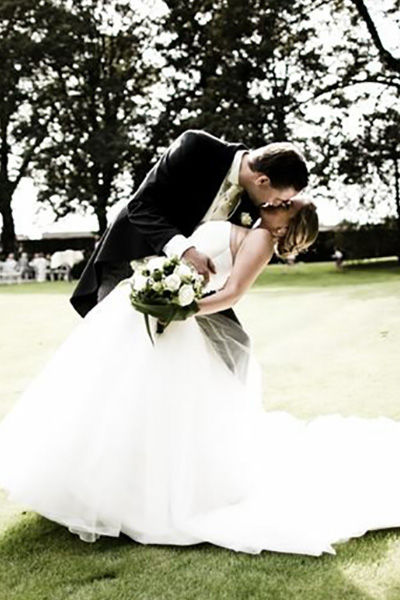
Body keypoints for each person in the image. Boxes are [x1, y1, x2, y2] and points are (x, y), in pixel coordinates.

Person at [3, 199, 400, 558]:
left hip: (177, 323)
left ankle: (133, 497)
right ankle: (88, 487)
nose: (277, 200)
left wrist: (180, 307)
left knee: (148, 405)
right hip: (141, 312)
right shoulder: (246, 216)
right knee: (108, 395)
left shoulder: (261, 239)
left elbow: (231, 294)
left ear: (285, 228)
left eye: (286, 206)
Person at [70, 130, 309, 318]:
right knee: (111, 338)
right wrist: (185, 251)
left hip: (184, 288)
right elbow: (140, 206)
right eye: (278, 198)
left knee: (232, 353)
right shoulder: (196, 147)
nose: (273, 205)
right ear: (262, 180)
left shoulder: (254, 199)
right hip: (131, 257)